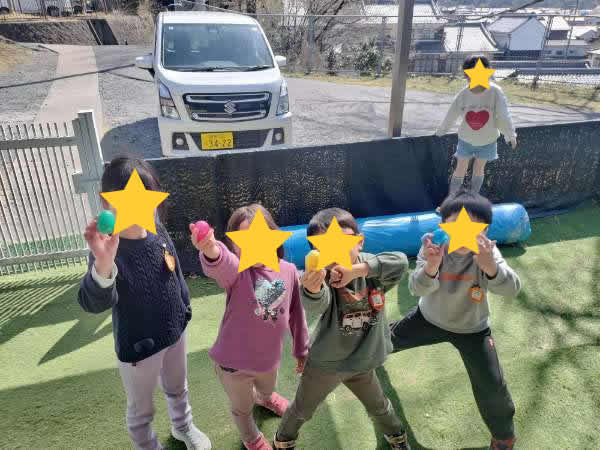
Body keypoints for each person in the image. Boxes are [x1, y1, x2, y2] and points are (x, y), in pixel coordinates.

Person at [78, 156, 211, 450]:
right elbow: (91, 301)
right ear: (106, 201)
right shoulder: (107, 249)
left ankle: (183, 426)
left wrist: (184, 308)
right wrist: (103, 265)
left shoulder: (157, 230)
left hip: (175, 332)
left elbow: (174, 271)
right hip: (139, 348)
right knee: (141, 411)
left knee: (178, 388)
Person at [389, 189, 521, 450]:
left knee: (491, 386)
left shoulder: (486, 252)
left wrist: (490, 266)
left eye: (472, 226)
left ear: (484, 231)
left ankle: (503, 436)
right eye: (455, 224)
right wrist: (431, 266)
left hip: (473, 329)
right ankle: (362, 349)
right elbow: (416, 289)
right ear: (444, 226)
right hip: (428, 319)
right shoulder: (433, 247)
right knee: (385, 340)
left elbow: (512, 289)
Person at [274, 208, 411, 450]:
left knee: (380, 407)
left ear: (360, 241)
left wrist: (356, 271)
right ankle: (283, 439)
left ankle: (397, 436)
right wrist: (313, 289)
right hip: (325, 365)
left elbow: (400, 262)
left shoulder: (370, 266)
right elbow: (316, 304)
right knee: (302, 409)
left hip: (363, 363)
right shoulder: (320, 276)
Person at [192, 204, 309, 450]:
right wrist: (211, 249)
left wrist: (301, 349)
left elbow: (296, 313)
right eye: (243, 240)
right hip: (233, 365)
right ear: (234, 245)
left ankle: (265, 398)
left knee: (267, 389)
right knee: (242, 408)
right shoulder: (238, 272)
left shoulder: (288, 271)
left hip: (269, 360)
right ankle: (251, 438)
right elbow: (222, 263)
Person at [435, 55, 517, 197]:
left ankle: (472, 198)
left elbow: (503, 115)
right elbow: (451, 114)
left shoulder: (495, 92)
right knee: (463, 168)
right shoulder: (463, 94)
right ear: (467, 75)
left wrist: (510, 135)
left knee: (476, 168)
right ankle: (452, 199)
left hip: (488, 140)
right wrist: (441, 131)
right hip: (466, 139)